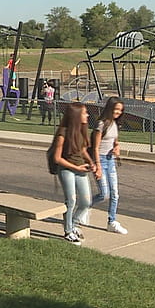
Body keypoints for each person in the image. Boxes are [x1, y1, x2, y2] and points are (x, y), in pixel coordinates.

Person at [52, 102, 100, 245]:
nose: (87, 115)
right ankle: (68, 231)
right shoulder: (63, 133)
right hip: (67, 170)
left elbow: (83, 149)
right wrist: (75, 167)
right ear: (76, 115)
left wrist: (91, 163)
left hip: (80, 169)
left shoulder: (82, 130)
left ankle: (73, 223)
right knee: (71, 200)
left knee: (86, 202)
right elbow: (57, 158)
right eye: (85, 113)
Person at [92, 97, 128, 235]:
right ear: (110, 108)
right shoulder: (101, 124)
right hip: (100, 160)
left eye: (120, 110)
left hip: (110, 160)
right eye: (116, 109)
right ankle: (82, 207)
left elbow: (115, 141)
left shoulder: (115, 124)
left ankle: (112, 221)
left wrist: (117, 148)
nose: (118, 112)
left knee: (115, 194)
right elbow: (95, 148)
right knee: (104, 194)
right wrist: (98, 167)